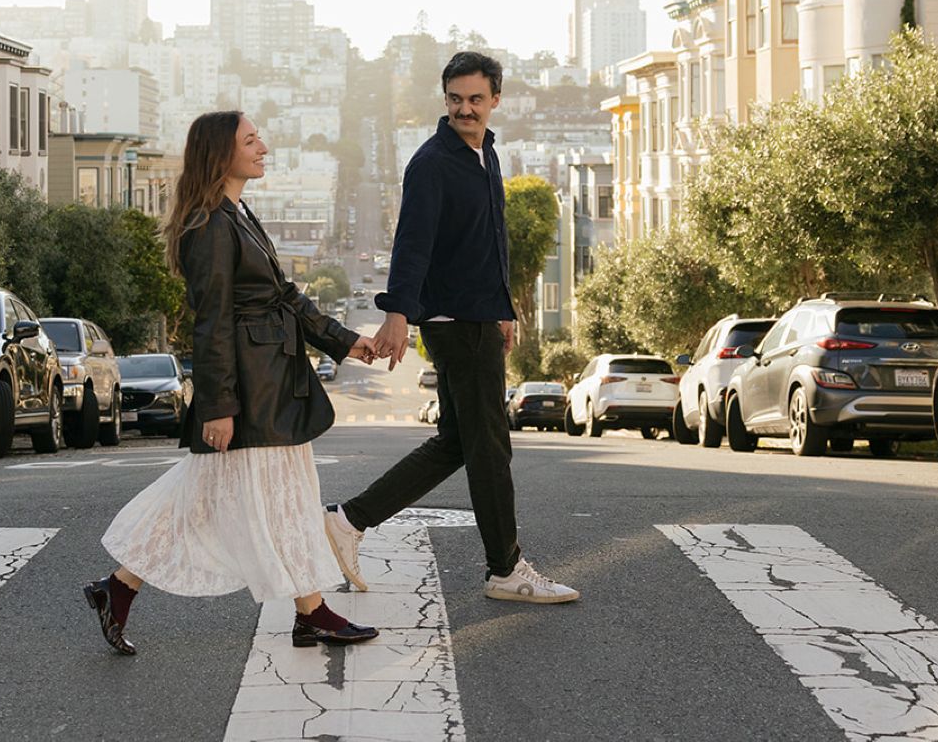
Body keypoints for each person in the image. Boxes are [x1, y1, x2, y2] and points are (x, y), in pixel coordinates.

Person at [85, 110, 383, 656]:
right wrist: (218, 405)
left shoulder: (236, 213)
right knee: (276, 497)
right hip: (250, 391)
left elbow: (285, 296)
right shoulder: (210, 226)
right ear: (222, 155)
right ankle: (310, 611)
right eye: (251, 141)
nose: (264, 147)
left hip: (269, 381)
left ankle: (118, 589)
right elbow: (213, 320)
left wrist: (347, 342)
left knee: (212, 496)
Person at [323, 52, 580, 604]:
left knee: (460, 443)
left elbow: (492, 239)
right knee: (490, 446)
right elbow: (412, 243)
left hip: (480, 315)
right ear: (445, 100)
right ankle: (506, 570)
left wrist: (504, 307)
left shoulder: (486, 153)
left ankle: (349, 521)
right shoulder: (433, 162)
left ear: (494, 101)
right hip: (453, 322)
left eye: (476, 99)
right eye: (456, 99)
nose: (465, 108)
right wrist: (397, 312)